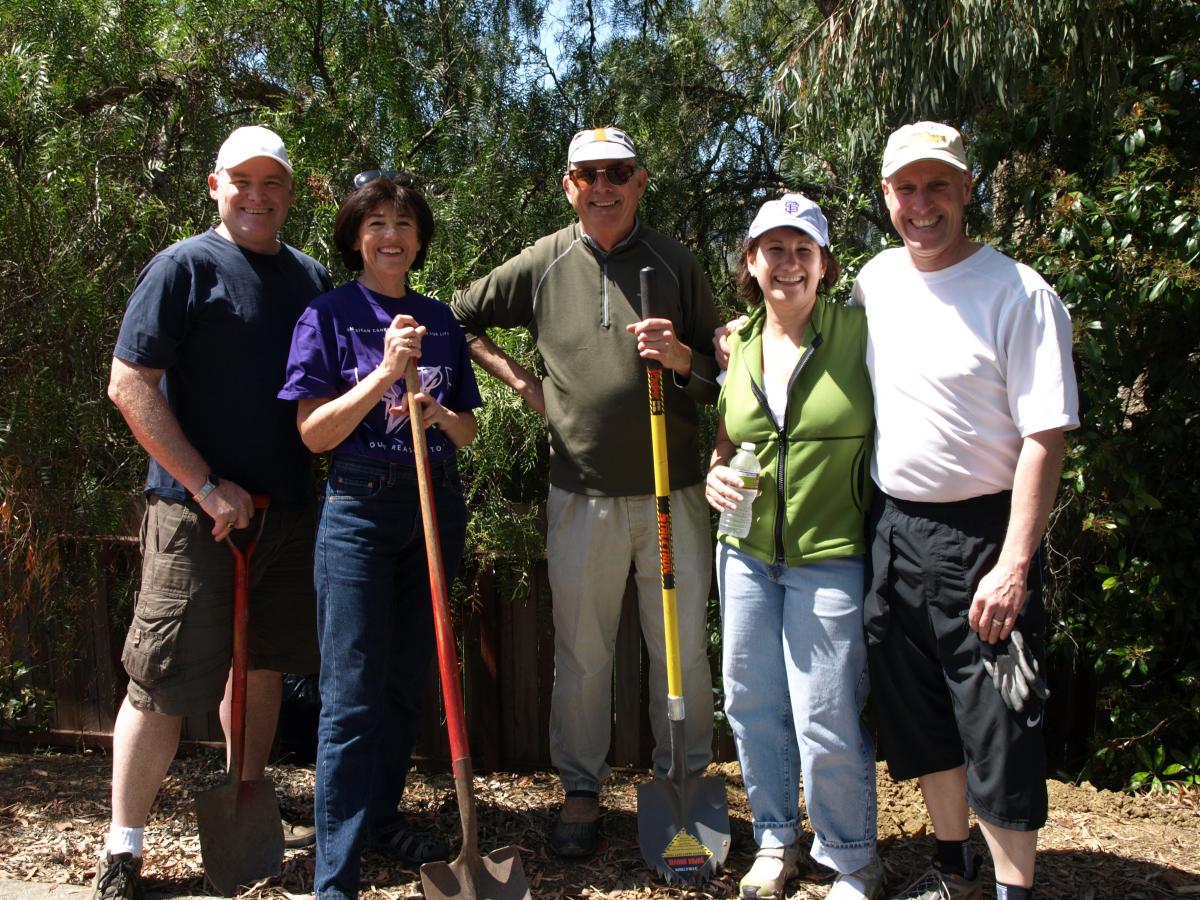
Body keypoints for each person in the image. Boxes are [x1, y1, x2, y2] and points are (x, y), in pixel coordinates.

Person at [449, 126, 720, 856]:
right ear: (567, 185)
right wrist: (521, 384)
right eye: (587, 174)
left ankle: (686, 782)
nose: (602, 186)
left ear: (640, 180)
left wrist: (681, 355)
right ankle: (580, 790)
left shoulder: (674, 261)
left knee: (682, 652)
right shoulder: (545, 260)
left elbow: (722, 377)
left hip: (676, 494)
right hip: (582, 494)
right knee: (582, 654)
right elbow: (458, 315)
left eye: (617, 173)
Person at [95, 125, 331, 900]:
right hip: (195, 518)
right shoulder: (184, 268)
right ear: (214, 184)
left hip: (286, 515)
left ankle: (246, 803)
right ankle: (122, 850)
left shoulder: (309, 276)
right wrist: (204, 486)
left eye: (273, 183)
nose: (258, 196)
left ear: (290, 193)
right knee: (162, 680)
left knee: (260, 667)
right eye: (243, 181)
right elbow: (130, 386)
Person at [855, 122, 1078, 900]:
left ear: (966, 188)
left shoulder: (1019, 293)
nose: (922, 204)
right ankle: (955, 870)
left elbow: (1045, 439)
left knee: (1001, 724)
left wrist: (1015, 564)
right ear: (886, 196)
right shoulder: (873, 280)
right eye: (906, 188)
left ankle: (1014, 890)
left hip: (984, 535)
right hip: (892, 529)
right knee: (918, 716)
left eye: (937, 186)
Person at [278, 172, 481, 900]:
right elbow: (313, 433)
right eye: (376, 224)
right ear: (355, 238)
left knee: (404, 688)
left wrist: (433, 411)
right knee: (352, 695)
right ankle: (336, 875)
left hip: (432, 507)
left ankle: (380, 820)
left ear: (420, 239)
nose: (390, 236)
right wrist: (386, 374)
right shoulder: (328, 316)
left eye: (403, 223)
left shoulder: (441, 321)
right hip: (358, 511)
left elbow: (468, 426)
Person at [705, 195, 883, 900]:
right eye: (773, 249)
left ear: (825, 265)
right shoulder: (740, 343)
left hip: (830, 552)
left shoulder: (860, 332)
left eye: (803, 250)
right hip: (745, 551)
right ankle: (776, 841)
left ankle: (850, 857)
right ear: (751, 261)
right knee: (751, 703)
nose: (788, 264)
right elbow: (729, 438)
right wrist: (714, 471)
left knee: (826, 711)